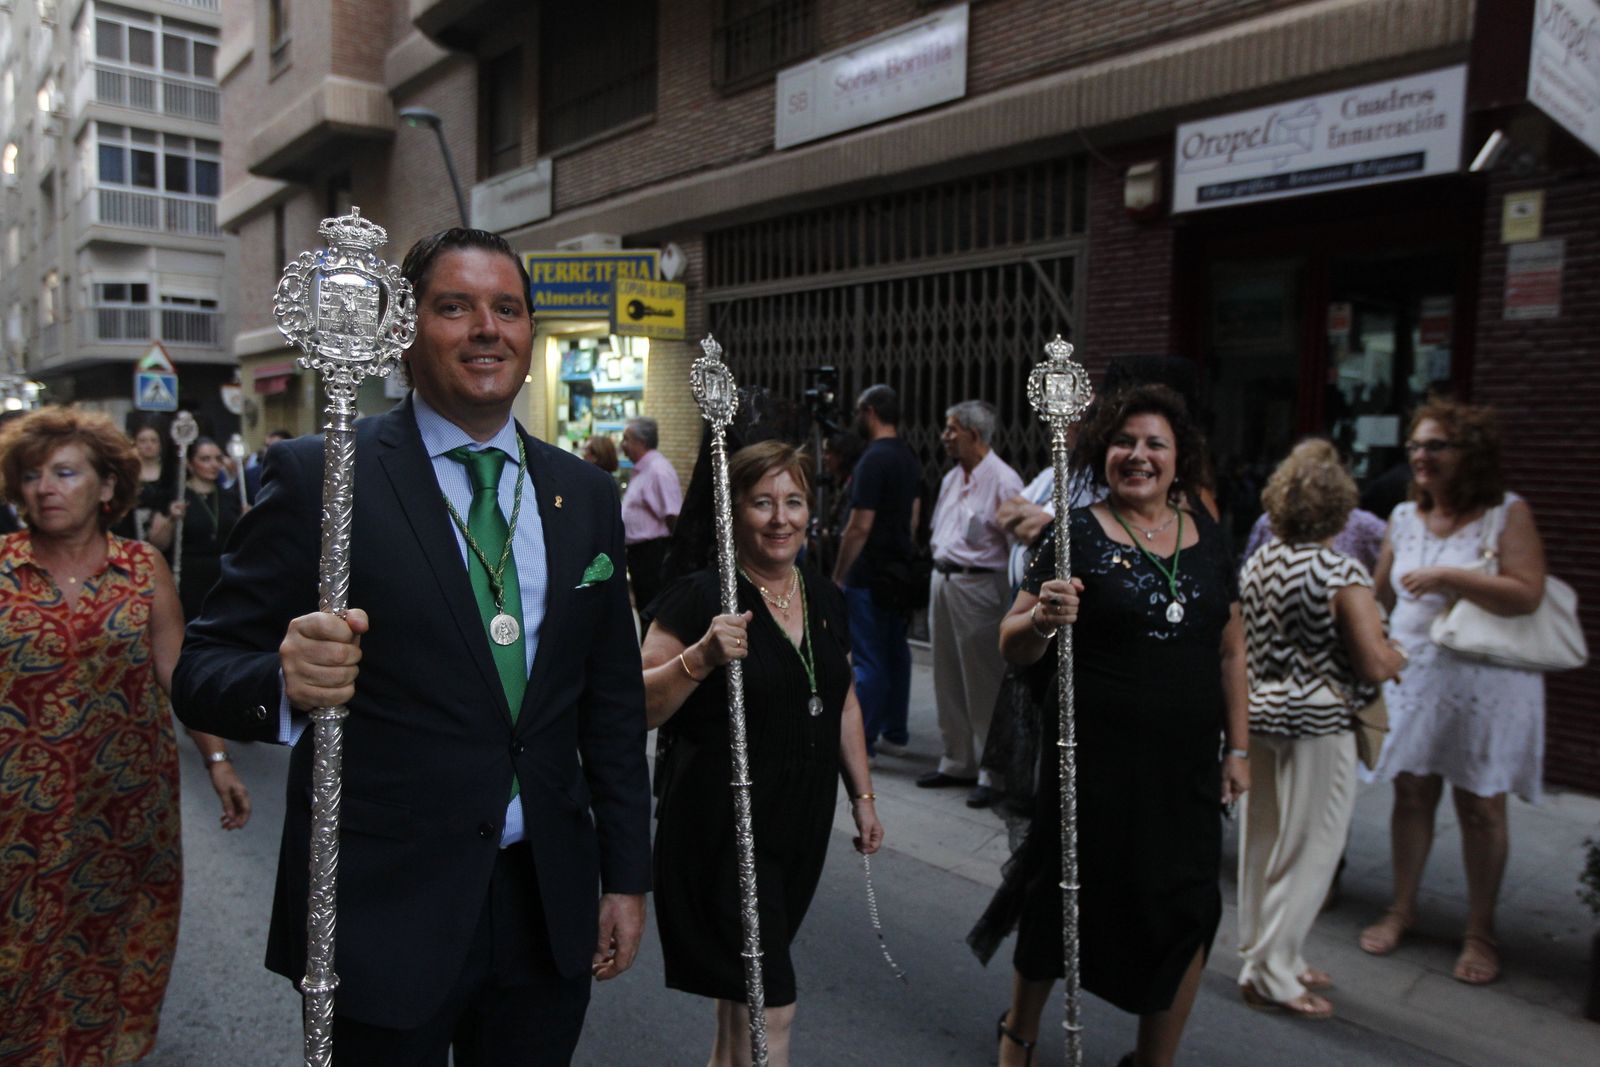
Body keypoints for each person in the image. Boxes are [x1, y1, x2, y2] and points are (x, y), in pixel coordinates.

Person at [170, 227, 652, 1065]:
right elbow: (200, 669)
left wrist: (626, 874)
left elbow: (609, 703)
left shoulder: (585, 494)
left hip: (547, 902)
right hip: (382, 907)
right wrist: (285, 677)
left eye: (507, 309)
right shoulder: (322, 474)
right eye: (454, 307)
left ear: (530, 333)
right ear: (406, 328)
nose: (486, 329)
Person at [970, 383, 1249, 1067]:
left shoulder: (1209, 536)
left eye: (1156, 443)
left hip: (1183, 770)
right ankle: (1020, 1035)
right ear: (1104, 452)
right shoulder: (1076, 533)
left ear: (1180, 458)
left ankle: (1154, 1058)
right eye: (1125, 442)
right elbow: (1012, 642)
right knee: (1059, 900)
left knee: (1189, 912)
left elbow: (1232, 646)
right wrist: (1042, 617)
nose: (1139, 455)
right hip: (1093, 765)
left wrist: (1238, 747)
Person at [0, 408, 250, 1065]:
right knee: (17, 955)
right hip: (15, 815)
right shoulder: (1, 568)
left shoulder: (142, 569)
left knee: (114, 943)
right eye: (32, 475)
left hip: (125, 809)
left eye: (64, 472)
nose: (45, 487)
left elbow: (178, 676)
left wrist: (217, 759)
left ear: (108, 487)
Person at [641, 440, 883, 1067]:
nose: (780, 518)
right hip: (722, 827)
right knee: (771, 1004)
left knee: (742, 1005)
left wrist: (863, 797)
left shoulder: (824, 597)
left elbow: (843, 700)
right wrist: (700, 657)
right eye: (762, 503)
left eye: (794, 501)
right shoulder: (698, 597)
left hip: (800, 821)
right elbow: (636, 704)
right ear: (733, 512)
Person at [1358, 400, 1547, 987]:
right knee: (1412, 794)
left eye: (1436, 446)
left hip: (1486, 683)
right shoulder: (1402, 517)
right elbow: (1379, 595)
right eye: (1415, 445)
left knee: (1481, 805)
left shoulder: (1506, 514)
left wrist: (1449, 577)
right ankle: (1402, 908)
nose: (1420, 456)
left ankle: (1480, 931)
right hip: (1415, 675)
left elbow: (1528, 593)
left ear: (1470, 455)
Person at [1236, 440, 1406, 1019]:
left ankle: (1263, 951)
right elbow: (1372, 661)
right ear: (1341, 508)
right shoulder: (1341, 572)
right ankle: (1275, 973)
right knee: (1311, 849)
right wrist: (1399, 654)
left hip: (1260, 714)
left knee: (1263, 840)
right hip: (1319, 722)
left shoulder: (1260, 562)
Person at [920, 399, 1023, 809]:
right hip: (942, 579)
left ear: (973, 434)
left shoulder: (1004, 480)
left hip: (979, 586)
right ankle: (956, 758)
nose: (945, 437)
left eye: (951, 429)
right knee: (945, 673)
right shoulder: (950, 478)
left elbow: (1016, 548)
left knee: (982, 679)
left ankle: (990, 770)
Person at [830, 385, 923, 756]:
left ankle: (861, 737)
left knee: (868, 658)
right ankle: (894, 728)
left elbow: (859, 525)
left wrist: (839, 574)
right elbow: (914, 515)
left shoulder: (872, 459)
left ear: (869, 411)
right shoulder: (909, 456)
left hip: (868, 573)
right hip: (897, 571)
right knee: (895, 651)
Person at [150, 436, 243, 620]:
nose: (214, 464)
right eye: (205, 459)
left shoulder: (230, 497)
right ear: (191, 464)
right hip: (189, 580)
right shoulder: (176, 496)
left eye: (218, 458)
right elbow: (157, 542)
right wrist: (171, 519)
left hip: (223, 577)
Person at [621, 415, 682, 613]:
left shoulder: (658, 470)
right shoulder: (642, 469)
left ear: (641, 442)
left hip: (653, 554)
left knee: (652, 609)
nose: (623, 445)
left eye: (627, 439)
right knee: (643, 605)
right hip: (640, 554)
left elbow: (673, 515)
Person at [113, 422, 175, 542]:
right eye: (143, 441)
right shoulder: (127, 473)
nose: (148, 445)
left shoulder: (170, 473)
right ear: (135, 444)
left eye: (153, 440)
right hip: (131, 532)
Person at [244, 428, 293, 502]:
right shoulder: (250, 475)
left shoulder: (297, 474)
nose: (269, 451)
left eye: (275, 447)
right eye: (267, 446)